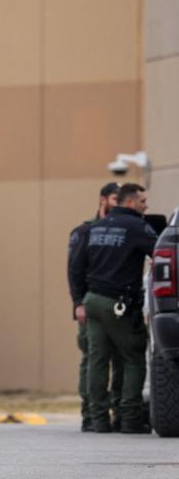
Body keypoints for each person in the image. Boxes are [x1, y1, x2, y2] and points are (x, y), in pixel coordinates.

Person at [75, 183, 155, 434]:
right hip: (118, 303)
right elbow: (161, 253)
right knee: (132, 357)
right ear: (130, 202)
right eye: (142, 201)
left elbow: (77, 266)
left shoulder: (95, 228)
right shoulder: (137, 227)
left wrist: (78, 301)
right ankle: (129, 417)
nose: (146, 205)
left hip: (92, 301)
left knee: (97, 360)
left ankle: (97, 420)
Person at [67, 183, 124, 432]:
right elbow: (74, 270)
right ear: (103, 200)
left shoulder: (127, 228)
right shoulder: (84, 231)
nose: (120, 202)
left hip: (120, 304)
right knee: (92, 358)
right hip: (90, 303)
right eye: (115, 197)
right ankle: (90, 413)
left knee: (121, 358)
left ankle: (118, 412)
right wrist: (78, 303)